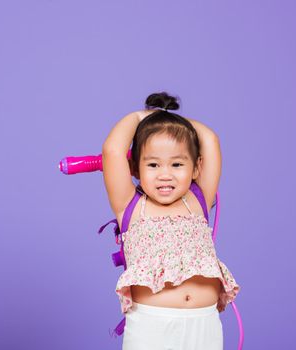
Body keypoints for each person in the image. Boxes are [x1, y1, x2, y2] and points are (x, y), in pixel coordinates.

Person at [102, 92, 240, 350]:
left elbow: (209, 139)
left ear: (196, 168)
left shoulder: (197, 200)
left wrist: (167, 118)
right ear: (134, 169)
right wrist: (140, 118)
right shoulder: (130, 205)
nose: (165, 175)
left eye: (177, 164)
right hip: (151, 327)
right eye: (153, 165)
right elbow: (112, 150)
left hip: (203, 325)